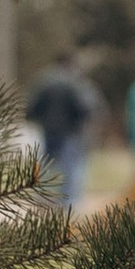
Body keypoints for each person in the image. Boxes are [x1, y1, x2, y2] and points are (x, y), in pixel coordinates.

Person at [25, 54, 101, 208]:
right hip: (71, 132)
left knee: (47, 165)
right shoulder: (77, 82)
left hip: (48, 130)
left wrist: (35, 118)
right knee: (71, 167)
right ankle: (69, 202)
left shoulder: (45, 80)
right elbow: (88, 107)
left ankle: (43, 198)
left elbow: (32, 106)